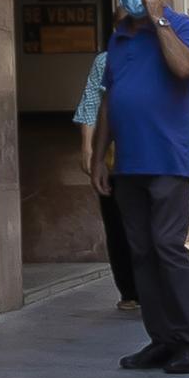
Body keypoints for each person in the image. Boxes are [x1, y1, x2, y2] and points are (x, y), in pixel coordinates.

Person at [91, 0, 189, 374]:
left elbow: (183, 67)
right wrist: (98, 156)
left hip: (167, 160)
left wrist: (159, 20)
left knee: (167, 248)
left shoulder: (180, 26)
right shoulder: (119, 37)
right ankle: (160, 339)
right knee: (140, 252)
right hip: (128, 164)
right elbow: (108, 99)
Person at [74, 50, 139, 312]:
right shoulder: (105, 60)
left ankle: (152, 287)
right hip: (114, 160)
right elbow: (92, 103)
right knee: (116, 225)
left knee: (149, 228)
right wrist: (87, 149)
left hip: (152, 157)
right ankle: (129, 290)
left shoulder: (158, 54)